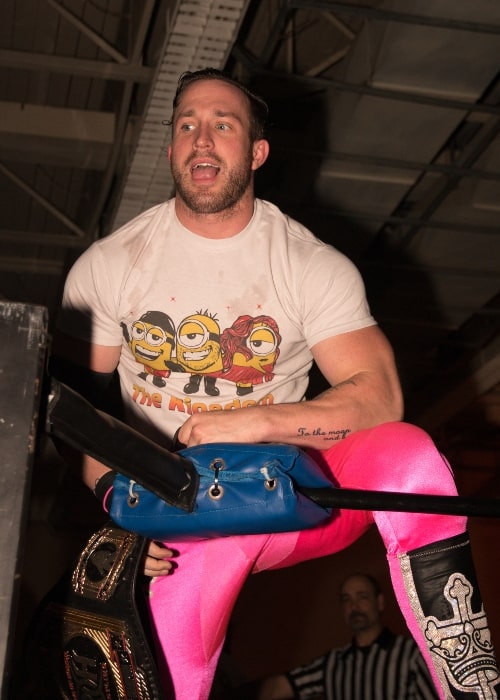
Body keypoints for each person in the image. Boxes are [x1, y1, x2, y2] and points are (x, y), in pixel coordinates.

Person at [50, 67, 499, 700]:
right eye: (187, 125)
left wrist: (255, 422)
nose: (202, 140)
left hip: (287, 495)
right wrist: (115, 506)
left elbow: (380, 397)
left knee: (410, 455)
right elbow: (73, 414)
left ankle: (473, 690)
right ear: (171, 147)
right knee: (165, 673)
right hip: (179, 519)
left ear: (256, 152)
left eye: (222, 125)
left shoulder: (307, 264)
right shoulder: (108, 266)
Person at [255, 572, 440, 700]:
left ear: (380, 602)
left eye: (362, 597)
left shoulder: (411, 655)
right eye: (346, 599)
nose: (354, 606)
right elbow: (276, 688)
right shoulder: (333, 662)